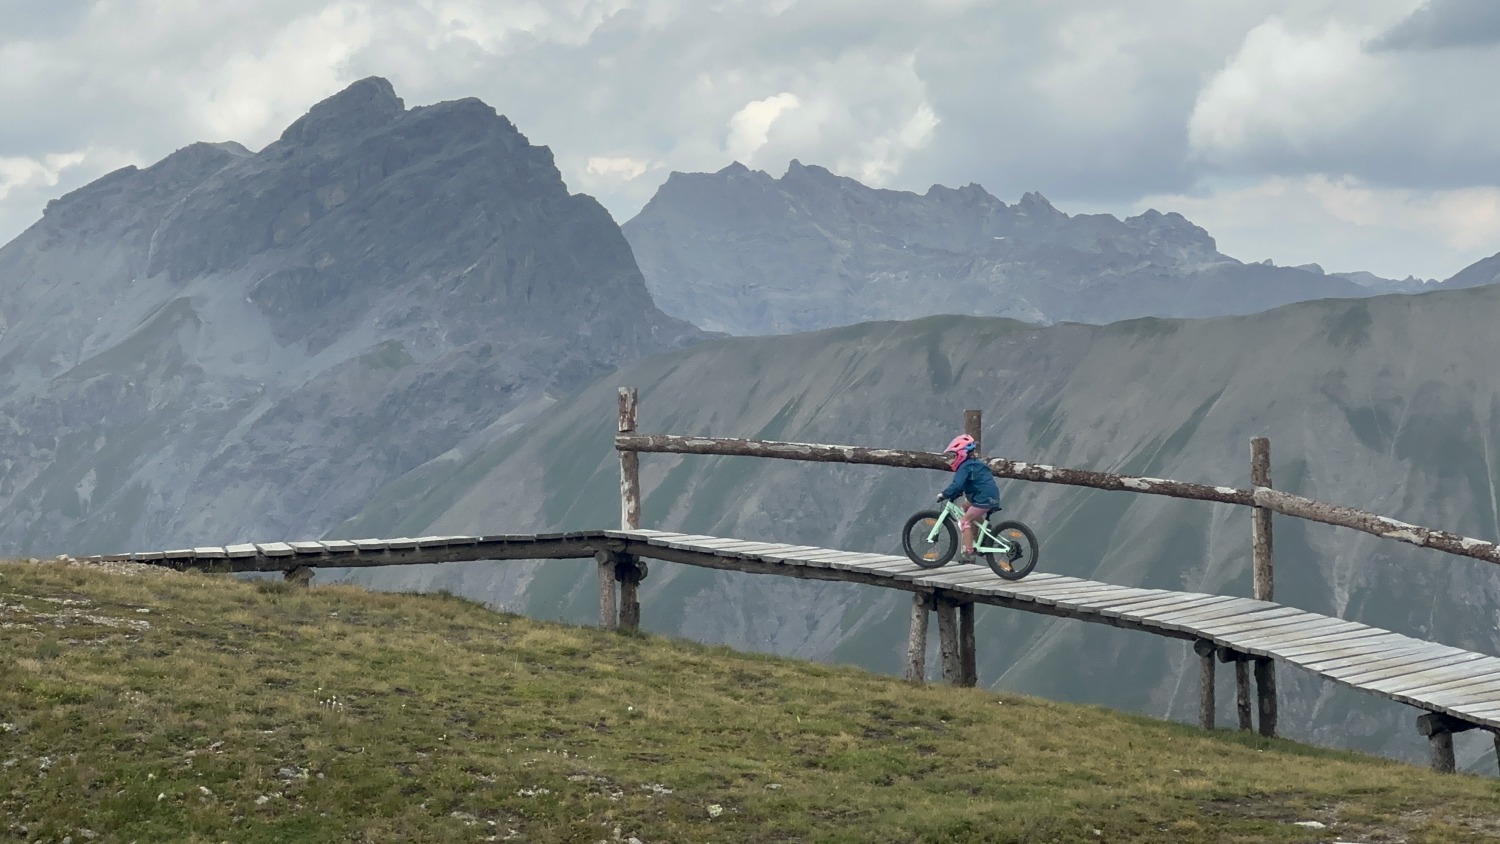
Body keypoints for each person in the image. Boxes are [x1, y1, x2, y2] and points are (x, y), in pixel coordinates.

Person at [936, 433, 1002, 566]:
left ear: (962, 454)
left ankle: (969, 551)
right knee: (966, 507)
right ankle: (983, 529)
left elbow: (957, 485)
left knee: (964, 521)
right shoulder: (975, 464)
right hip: (989, 497)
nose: (953, 459)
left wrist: (944, 494)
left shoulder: (964, 467)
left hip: (983, 499)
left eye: (954, 455)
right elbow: (972, 482)